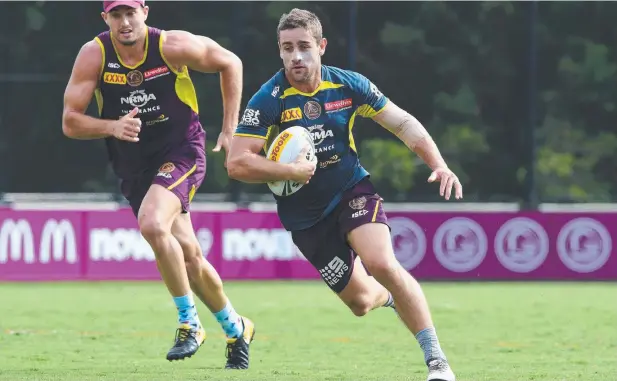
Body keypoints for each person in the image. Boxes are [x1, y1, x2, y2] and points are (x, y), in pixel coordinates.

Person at [227, 8, 460, 381]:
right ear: (280, 51)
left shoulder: (349, 85)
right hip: (305, 217)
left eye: (304, 46)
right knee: (361, 302)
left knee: (382, 263)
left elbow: (402, 122)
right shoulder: (269, 98)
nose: (296, 56)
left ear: (321, 46)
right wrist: (290, 171)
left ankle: (437, 361)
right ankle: (390, 298)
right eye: (287, 48)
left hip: (352, 190)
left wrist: (439, 164)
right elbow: (237, 164)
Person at [61, 0, 254, 369]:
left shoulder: (170, 45)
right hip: (135, 166)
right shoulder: (94, 54)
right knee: (190, 257)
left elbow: (231, 62)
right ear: (106, 19)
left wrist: (231, 130)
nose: (124, 21)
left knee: (151, 223)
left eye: (130, 12)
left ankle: (189, 323)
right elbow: (70, 121)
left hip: (182, 151)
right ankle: (236, 327)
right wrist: (111, 127)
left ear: (145, 12)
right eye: (116, 15)